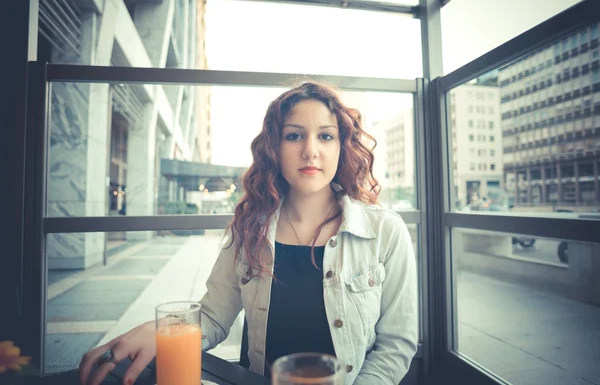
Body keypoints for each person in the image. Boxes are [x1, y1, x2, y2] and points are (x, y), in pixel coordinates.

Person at [78, 82, 418, 385]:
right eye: (294, 135)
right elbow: (212, 317)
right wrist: (160, 331)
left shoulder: (384, 230)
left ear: (341, 146)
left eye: (325, 136)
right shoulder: (250, 229)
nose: (310, 150)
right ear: (275, 148)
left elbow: (396, 343)